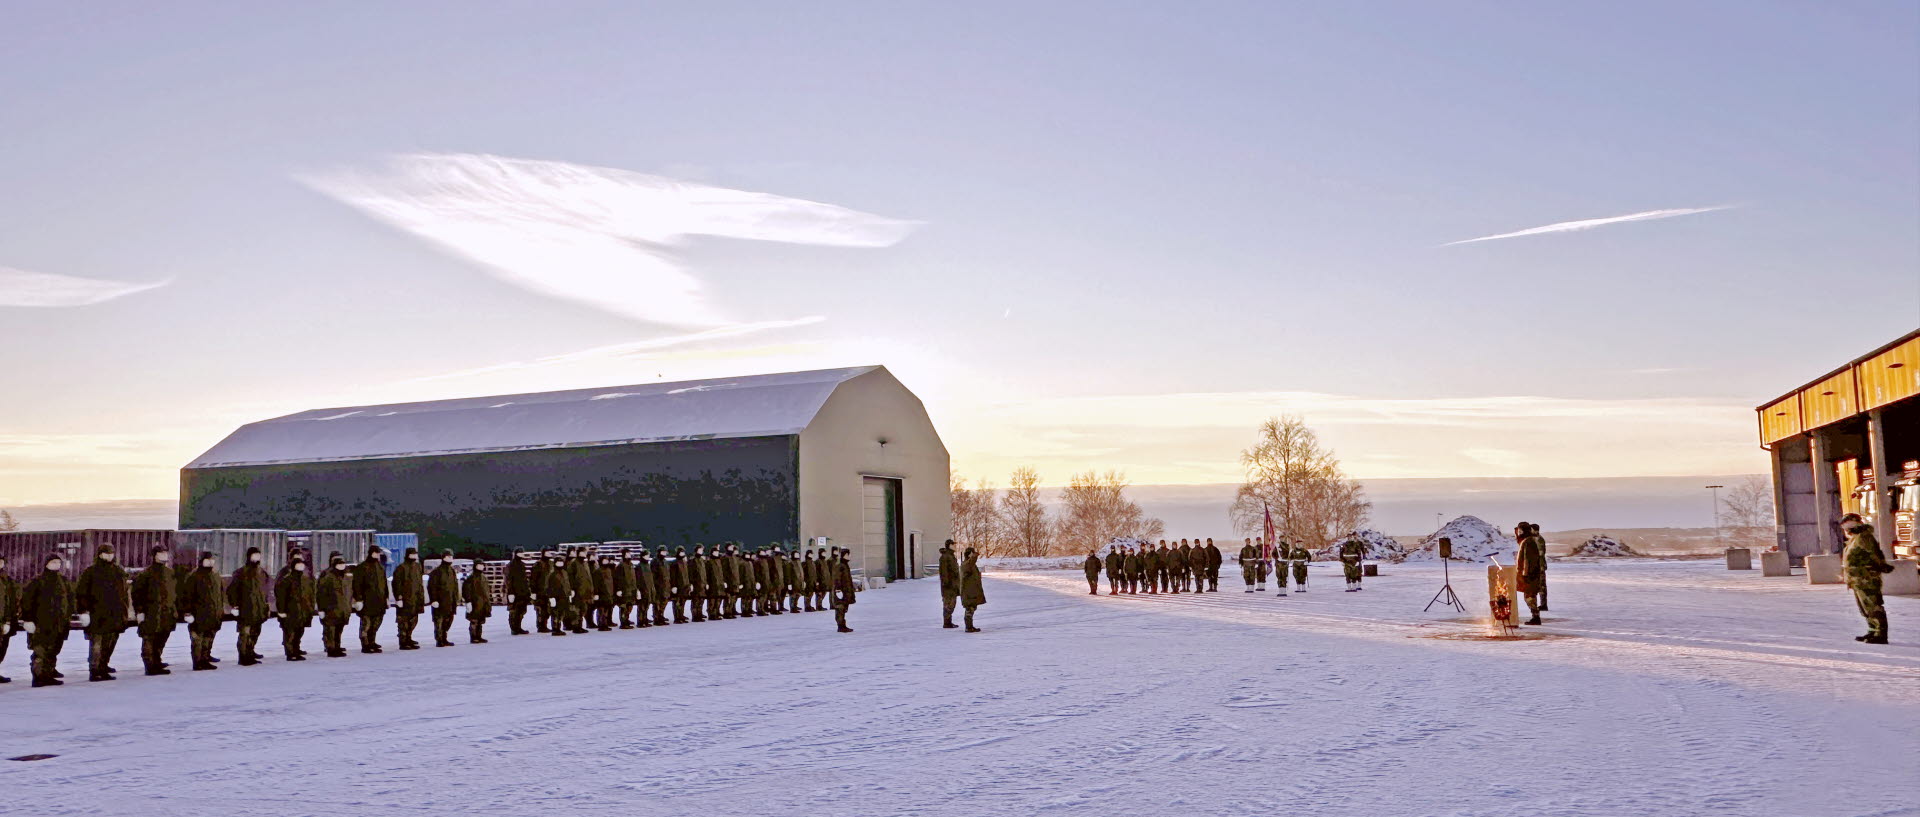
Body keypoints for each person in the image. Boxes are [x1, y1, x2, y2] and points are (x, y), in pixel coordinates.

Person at [74, 543, 130, 682]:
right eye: (106, 553)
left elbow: (124, 593)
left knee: (109, 643)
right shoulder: (91, 572)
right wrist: (83, 611)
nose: (109, 555)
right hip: (97, 614)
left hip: (115, 614)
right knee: (97, 645)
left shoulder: (118, 571)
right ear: (100, 554)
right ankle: (95, 670)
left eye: (111, 553)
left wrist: (125, 611)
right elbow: (82, 593)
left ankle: (103, 667)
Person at [20, 552, 75, 686]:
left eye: (58, 563)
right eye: (53, 562)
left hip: (59, 623)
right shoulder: (37, 581)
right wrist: (27, 619)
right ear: (46, 564)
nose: (56, 565)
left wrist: (69, 615)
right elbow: (27, 601)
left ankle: (48, 674)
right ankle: (38, 677)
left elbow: (70, 599)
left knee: (53, 650)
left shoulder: (63, 581)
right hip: (41, 623)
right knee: (41, 651)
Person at [1842, 512, 1894, 644]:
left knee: (1873, 606)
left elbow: (1874, 555)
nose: (1845, 530)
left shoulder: (1864, 537)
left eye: (1846, 526)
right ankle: (1872, 631)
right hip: (1857, 579)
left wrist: (1882, 566)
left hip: (1867, 578)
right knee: (1865, 608)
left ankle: (1881, 634)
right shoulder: (1855, 537)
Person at [128, 546, 177, 676]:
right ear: (154, 555)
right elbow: (137, 594)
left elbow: (175, 593)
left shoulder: (170, 573)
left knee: (162, 638)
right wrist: (140, 611)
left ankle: (157, 660)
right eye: (161, 553)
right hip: (151, 613)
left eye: (165, 552)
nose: (164, 555)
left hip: (167, 613)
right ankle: (150, 665)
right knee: (149, 639)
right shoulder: (145, 574)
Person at [226, 546, 271, 666]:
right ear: (249, 557)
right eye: (254, 555)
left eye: (258, 555)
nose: (256, 558)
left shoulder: (262, 573)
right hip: (245, 609)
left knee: (255, 633)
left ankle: (250, 653)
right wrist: (234, 605)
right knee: (245, 634)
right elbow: (232, 590)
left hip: (259, 609)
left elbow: (265, 590)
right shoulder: (241, 573)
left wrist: (266, 605)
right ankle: (243, 657)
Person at [179, 552, 224, 671]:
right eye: (207, 560)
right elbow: (187, 595)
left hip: (212, 613)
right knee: (198, 639)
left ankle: (206, 657)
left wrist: (219, 610)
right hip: (198, 614)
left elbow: (220, 594)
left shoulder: (215, 575)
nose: (210, 562)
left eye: (212, 560)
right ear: (202, 561)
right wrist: (187, 612)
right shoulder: (194, 576)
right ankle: (198, 662)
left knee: (209, 637)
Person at [274, 552, 316, 661]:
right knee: (290, 632)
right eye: (298, 564)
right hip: (291, 610)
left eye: (302, 564)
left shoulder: (305, 579)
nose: (301, 566)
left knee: (299, 631)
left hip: (302, 610)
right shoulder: (286, 578)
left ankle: (296, 650)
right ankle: (291, 652)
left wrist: (310, 607)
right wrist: (281, 610)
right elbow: (281, 595)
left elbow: (310, 593)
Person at [352, 546, 390, 653]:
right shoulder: (362, 567)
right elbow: (357, 585)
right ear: (371, 553)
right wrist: (358, 599)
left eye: (378, 553)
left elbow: (384, 584)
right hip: (367, 600)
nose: (378, 555)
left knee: (376, 623)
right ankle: (365, 644)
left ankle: (372, 641)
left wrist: (386, 597)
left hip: (379, 600)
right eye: (376, 553)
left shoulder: (380, 567)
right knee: (366, 624)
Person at [316, 552, 354, 658]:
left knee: (339, 629)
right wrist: (321, 608)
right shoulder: (328, 576)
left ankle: (337, 647)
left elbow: (349, 590)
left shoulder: (346, 576)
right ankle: (331, 648)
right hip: (331, 608)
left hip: (342, 608)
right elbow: (321, 593)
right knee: (331, 629)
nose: (342, 566)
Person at [391, 547, 427, 650]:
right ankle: (403, 641)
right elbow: (396, 584)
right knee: (404, 622)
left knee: (413, 620)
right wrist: (399, 598)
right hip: (405, 599)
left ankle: (409, 638)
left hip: (416, 599)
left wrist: (421, 597)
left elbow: (419, 583)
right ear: (407, 555)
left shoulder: (418, 566)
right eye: (412, 554)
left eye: (415, 554)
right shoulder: (401, 568)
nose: (414, 556)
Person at [427, 550, 461, 646]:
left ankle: (444, 638)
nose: (450, 559)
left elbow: (455, 586)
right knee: (439, 621)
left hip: (450, 601)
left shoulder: (452, 571)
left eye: (451, 557)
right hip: (440, 601)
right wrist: (433, 599)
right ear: (443, 557)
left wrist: (456, 598)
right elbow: (432, 586)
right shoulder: (436, 572)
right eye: (448, 557)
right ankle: (439, 639)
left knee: (448, 620)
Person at [1515, 524, 1547, 625]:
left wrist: (1527, 574)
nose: (1519, 532)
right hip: (1529, 574)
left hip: (1530, 575)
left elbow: (1530, 560)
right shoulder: (1526, 541)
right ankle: (1535, 616)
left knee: (1529, 596)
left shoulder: (1529, 542)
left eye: (1520, 530)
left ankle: (1536, 617)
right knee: (1529, 596)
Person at [542, 550, 573, 637]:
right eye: (558, 562)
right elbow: (548, 586)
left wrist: (569, 594)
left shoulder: (565, 573)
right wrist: (551, 597)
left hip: (564, 596)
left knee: (562, 613)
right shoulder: (552, 574)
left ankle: (559, 628)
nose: (560, 564)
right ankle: (555, 629)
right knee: (556, 613)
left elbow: (567, 584)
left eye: (561, 562)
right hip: (556, 597)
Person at [462, 560, 493, 644]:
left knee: (480, 620)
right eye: (479, 565)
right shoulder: (471, 578)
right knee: (474, 620)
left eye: (482, 565)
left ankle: (479, 636)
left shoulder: (483, 577)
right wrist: (468, 601)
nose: (481, 567)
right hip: (474, 602)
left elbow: (486, 590)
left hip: (483, 602)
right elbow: (466, 590)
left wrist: (487, 601)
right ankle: (474, 637)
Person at [567, 548, 595, 633]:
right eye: (582, 552)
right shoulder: (574, 563)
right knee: (577, 610)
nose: (583, 554)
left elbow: (588, 577)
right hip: (577, 590)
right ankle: (576, 626)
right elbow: (570, 577)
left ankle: (580, 625)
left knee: (583, 609)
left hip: (585, 590)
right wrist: (572, 589)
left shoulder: (585, 563)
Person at [829, 547, 857, 633]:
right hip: (841, 591)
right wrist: (838, 590)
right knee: (840, 609)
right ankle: (840, 626)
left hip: (846, 591)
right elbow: (837, 578)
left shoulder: (844, 565)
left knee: (843, 608)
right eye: (849, 554)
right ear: (845, 555)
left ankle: (843, 625)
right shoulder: (840, 566)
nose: (850, 556)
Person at [506, 550, 534, 635]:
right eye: (519, 553)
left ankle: (518, 627)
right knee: (514, 610)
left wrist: (528, 591)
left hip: (523, 591)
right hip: (514, 592)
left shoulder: (522, 565)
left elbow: (524, 579)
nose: (521, 555)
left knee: (521, 611)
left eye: (522, 553)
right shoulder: (511, 565)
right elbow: (508, 580)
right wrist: (510, 592)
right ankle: (514, 628)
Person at [960, 547, 987, 633]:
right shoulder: (967, 564)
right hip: (969, 591)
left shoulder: (968, 564)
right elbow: (971, 562)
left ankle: (969, 626)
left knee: (971, 608)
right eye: (972, 553)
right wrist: (974, 556)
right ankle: (968, 627)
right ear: (969, 554)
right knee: (970, 608)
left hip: (971, 590)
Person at [0, 554, 17, 683]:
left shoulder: (7, 579)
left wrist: (9, 619)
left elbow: (11, 600)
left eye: (1, 561)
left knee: (2, 647)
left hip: (5, 620)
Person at [938, 540, 961, 628]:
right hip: (948, 585)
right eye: (953, 544)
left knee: (952, 603)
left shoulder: (951, 556)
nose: (955, 546)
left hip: (953, 584)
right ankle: (947, 622)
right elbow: (943, 572)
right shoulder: (945, 557)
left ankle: (948, 621)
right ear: (949, 545)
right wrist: (946, 583)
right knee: (948, 603)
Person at [530, 550, 553, 633]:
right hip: (540, 591)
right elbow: (533, 579)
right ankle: (541, 626)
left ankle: (544, 625)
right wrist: (533, 591)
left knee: (548, 610)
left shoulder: (551, 564)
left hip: (549, 591)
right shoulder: (538, 564)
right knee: (541, 609)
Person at [592, 555, 617, 631]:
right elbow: (596, 583)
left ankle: (605, 623)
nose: (606, 562)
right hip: (601, 593)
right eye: (604, 560)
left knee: (606, 609)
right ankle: (601, 624)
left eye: (607, 560)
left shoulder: (608, 570)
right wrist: (596, 593)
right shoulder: (598, 571)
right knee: (601, 610)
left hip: (608, 592)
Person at [615, 550, 638, 629]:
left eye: (629, 554)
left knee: (629, 606)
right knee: (624, 607)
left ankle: (626, 619)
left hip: (631, 589)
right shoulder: (621, 566)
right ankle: (623, 622)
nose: (629, 556)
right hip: (624, 590)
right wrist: (618, 589)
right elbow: (618, 578)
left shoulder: (631, 565)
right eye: (627, 554)